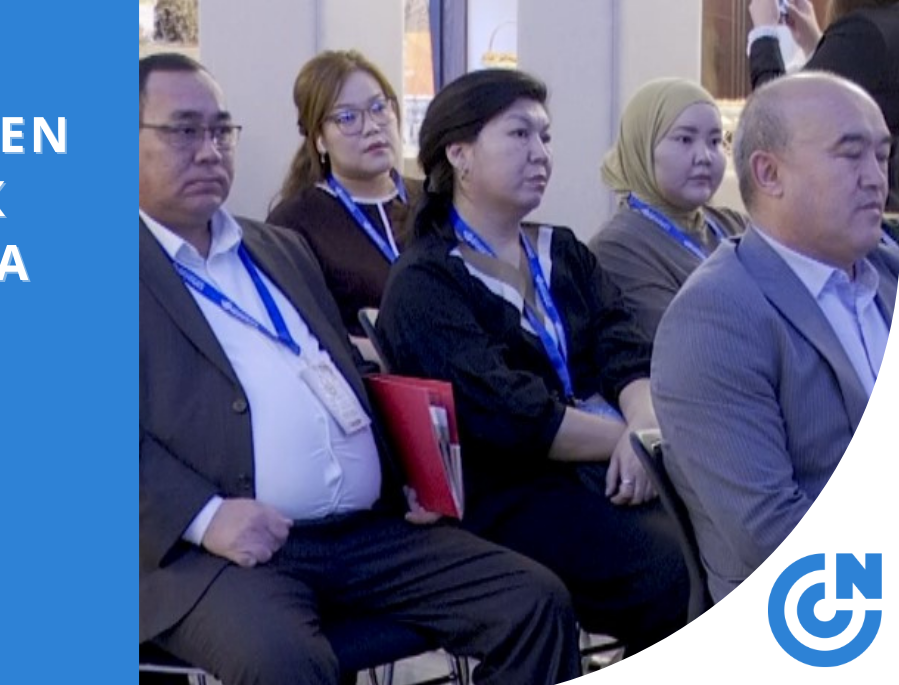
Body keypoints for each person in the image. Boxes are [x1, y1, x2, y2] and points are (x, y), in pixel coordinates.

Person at [138, 54, 578, 685]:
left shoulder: (277, 249)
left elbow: (344, 376)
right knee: (285, 663)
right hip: (220, 551)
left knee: (533, 603)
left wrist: (411, 473)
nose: (210, 150)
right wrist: (206, 516)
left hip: (367, 531)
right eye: (184, 131)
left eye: (221, 131)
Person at [374, 69, 688, 653]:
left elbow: (625, 349)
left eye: (545, 136)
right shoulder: (426, 281)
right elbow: (509, 416)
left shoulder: (561, 249)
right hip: (511, 491)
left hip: (613, 462)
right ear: (459, 154)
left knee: (727, 533)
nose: (540, 153)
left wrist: (645, 427)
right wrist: (632, 440)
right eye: (519, 135)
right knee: (671, 568)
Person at [652, 72, 899, 600]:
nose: (876, 178)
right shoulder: (716, 318)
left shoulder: (886, 271)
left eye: (882, 155)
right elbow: (770, 535)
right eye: (850, 154)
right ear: (769, 173)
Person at [750, 0, 899, 207]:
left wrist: (764, 35)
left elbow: (777, 119)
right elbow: (861, 82)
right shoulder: (879, 27)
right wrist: (815, 43)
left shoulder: (862, 33)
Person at [268, 50, 422, 334]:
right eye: (348, 117)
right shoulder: (295, 222)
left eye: (379, 108)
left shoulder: (435, 199)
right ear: (319, 139)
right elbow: (303, 333)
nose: (372, 127)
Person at [590, 78, 748, 340]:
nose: (704, 157)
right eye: (685, 139)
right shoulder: (619, 247)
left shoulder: (734, 225)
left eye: (715, 141)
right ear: (643, 147)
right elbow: (687, 342)